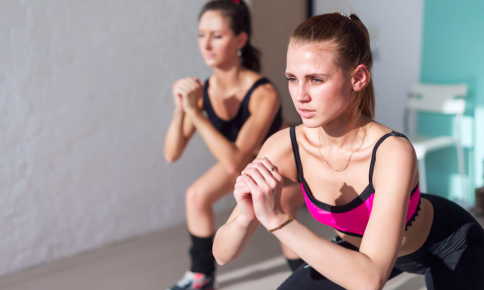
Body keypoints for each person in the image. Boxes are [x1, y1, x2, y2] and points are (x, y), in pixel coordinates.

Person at [213, 12, 484, 289]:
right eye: (292, 79)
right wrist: (246, 215)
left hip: (450, 246)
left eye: (316, 79)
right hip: (362, 251)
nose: (300, 95)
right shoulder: (284, 147)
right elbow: (222, 254)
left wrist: (278, 219)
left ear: (358, 78)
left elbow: (370, 280)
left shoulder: (392, 152)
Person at [164, 1, 303, 289]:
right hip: (249, 163)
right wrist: (181, 108)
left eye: (217, 35)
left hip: (287, 163)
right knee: (196, 196)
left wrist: (194, 113)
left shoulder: (262, 92)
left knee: (284, 216)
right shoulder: (202, 94)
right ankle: (201, 276)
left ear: (240, 39)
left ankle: (307, 281)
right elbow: (171, 154)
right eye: (202, 35)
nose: (207, 44)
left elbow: (233, 162)